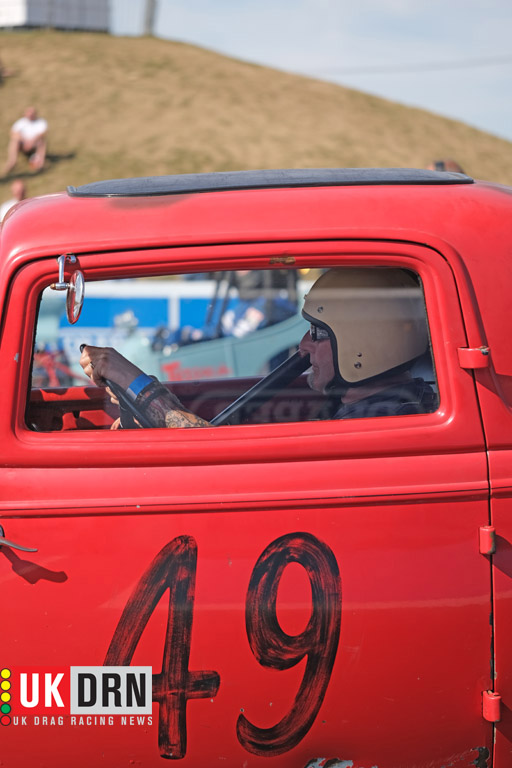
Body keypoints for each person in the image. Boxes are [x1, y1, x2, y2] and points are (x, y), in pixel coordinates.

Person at [79, 268, 437, 429]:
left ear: (363, 343)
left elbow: (210, 457)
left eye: (318, 333)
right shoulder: (390, 406)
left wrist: (130, 378)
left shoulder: (376, 424)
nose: (304, 345)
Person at [3, 106, 48, 175]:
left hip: (35, 144)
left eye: (32, 113)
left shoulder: (41, 122)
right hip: (23, 144)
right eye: (28, 113)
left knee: (41, 142)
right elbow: (13, 133)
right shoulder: (21, 122)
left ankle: (40, 164)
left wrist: (32, 141)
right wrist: (25, 141)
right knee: (14, 141)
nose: (30, 115)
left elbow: (42, 134)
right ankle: (12, 162)